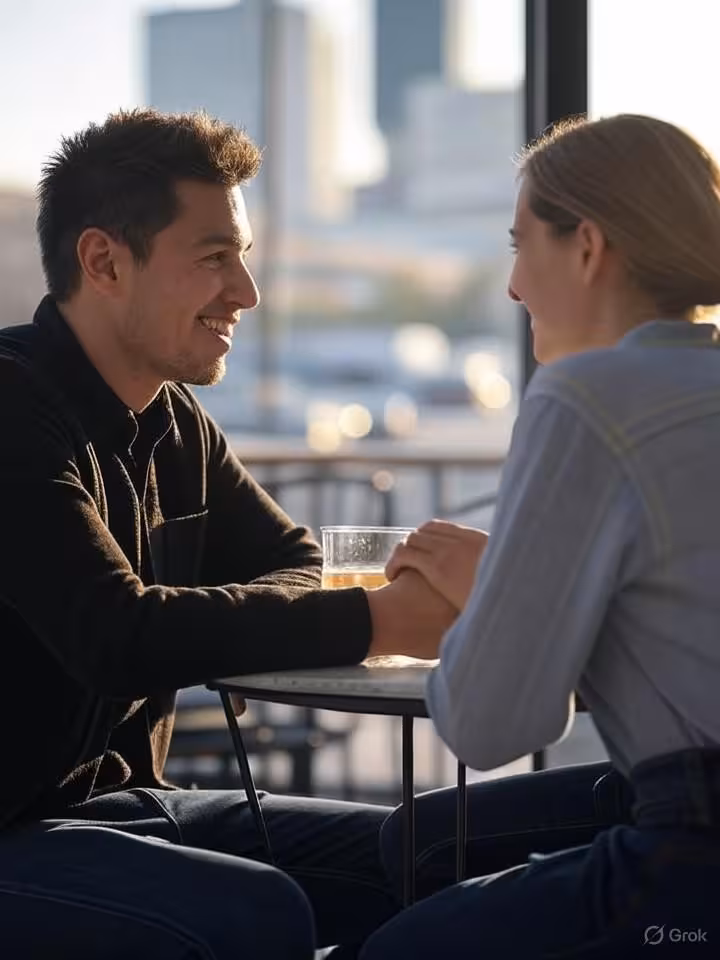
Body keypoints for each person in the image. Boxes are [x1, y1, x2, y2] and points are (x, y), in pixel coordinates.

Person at [0, 108, 458, 959]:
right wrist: (377, 621)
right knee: (257, 915)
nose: (246, 294)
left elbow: (294, 560)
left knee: (427, 862)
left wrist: (219, 619)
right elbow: (118, 635)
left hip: (132, 805)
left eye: (242, 257)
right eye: (215, 258)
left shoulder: (176, 420)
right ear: (103, 261)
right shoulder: (10, 407)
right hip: (18, 833)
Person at [362, 114, 720, 957]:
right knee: (418, 841)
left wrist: (493, 594)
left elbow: (493, 726)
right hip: (669, 788)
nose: (515, 285)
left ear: (588, 246)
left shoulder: (589, 397)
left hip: (694, 842)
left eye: (522, 245)